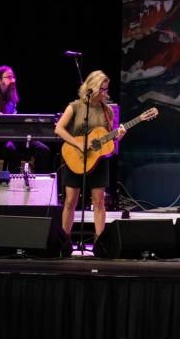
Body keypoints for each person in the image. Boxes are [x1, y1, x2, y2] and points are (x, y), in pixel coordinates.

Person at [55, 70, 125, 241]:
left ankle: (99, 243)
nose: (105, 93)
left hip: (98, 161)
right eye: (102, 89)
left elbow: (108, 139)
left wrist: (118, 136)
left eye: (106, 89)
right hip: (75, 158)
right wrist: (78, 143)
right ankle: (65, 242)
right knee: (70, 201)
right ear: (91, 88)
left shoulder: (107, 110)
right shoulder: (75, 107)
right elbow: (59, 129)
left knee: (99, 202)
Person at [0, 66, 50, 171]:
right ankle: (12, 185)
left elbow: (13, 119)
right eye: (9, 77)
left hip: (11, 136)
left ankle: (38, 184)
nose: (13, 80)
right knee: (13, 150)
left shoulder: (11, 98)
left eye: (13, 77)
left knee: (42, 150)